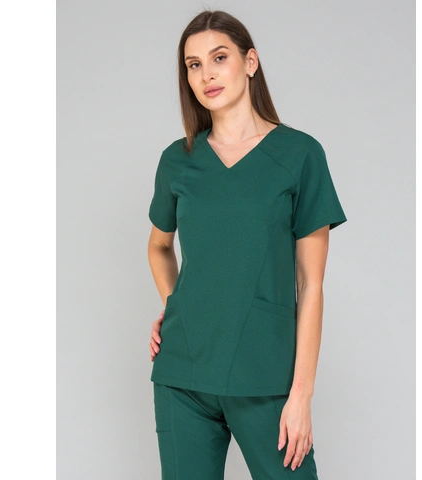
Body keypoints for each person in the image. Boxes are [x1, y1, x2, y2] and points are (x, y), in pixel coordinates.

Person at [147, 9, 347, 480]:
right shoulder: (178, 160)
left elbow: (311, 285)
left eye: (219, 57)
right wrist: (177, 307)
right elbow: (159, 247)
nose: (207, 74)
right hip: (182, 376)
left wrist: (301, 396)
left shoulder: (299, 155)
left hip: (265, 375)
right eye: (193, 65)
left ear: (250, 62)